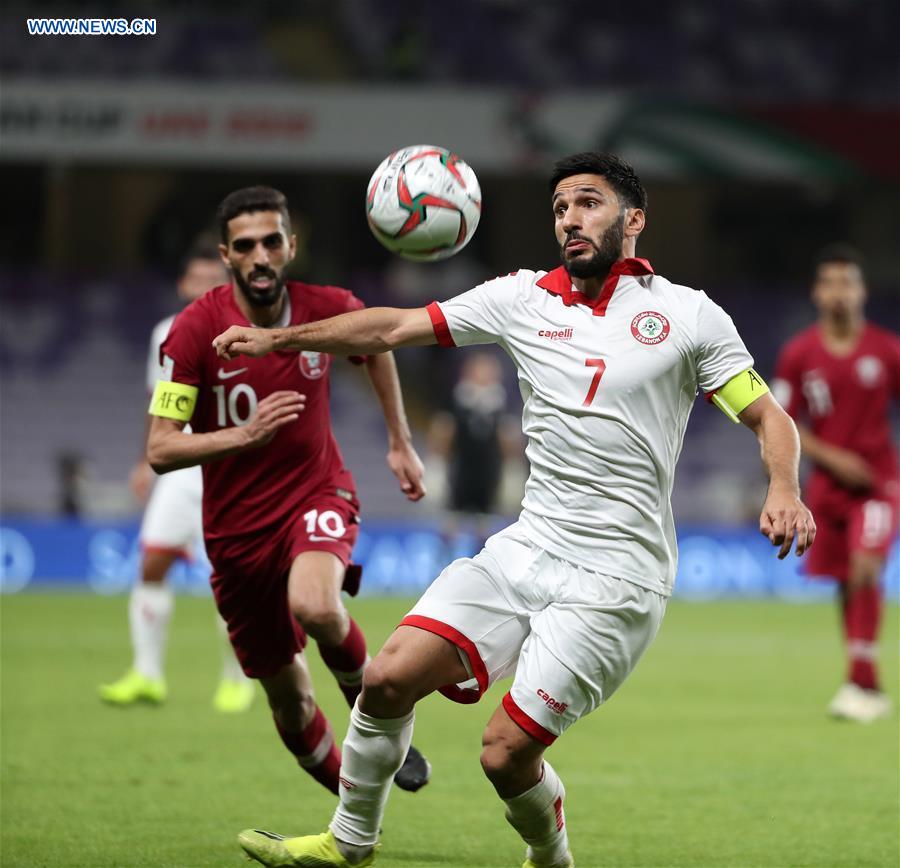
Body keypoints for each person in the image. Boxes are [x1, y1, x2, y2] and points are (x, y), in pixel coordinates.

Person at [215, 153, 816, 868]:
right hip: (527, 548)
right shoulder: (521, 298)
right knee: (385, 679)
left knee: (503, 754)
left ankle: (551, 857)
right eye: (560, 208)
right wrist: (280, 338)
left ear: (633, 219)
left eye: (588, 203)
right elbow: (391, 329)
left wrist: (784, 488)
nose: (570, 220)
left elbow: (769, 416)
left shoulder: (688, 316)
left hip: (618, 579)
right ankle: (348, 843)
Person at [145, 186, 431, 795]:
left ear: (291, 246)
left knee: (318, 606)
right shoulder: (193, 332)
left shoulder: (325, 308)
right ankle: (356, 800)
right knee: (292, 701)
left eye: (271, 241)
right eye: (246, 245)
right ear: (226, 255)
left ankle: (378, 717)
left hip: (315, 494)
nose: (260, 256)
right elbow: (161, 448)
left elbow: (378, 344)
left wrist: (399, 440)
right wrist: (244, 435)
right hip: (236, 534)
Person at [99, 242, 256, 713]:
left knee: (229, 579)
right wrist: (144, 460)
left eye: (214, 280)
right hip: (181, 467)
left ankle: (237, 680)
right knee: (152, 564)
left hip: (229, 469)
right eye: (198, 279)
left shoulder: (247, 332)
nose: (205, 287)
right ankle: (147, 674)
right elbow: (160, 400)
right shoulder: (165, 333)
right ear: (184, 284)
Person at [772, 245, 898, 724]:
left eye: (848, 282)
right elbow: (782, 420)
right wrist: (832, 457)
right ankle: (869, 685)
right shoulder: (799, 353)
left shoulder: (887, 350)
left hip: (878, 483)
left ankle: (858, 682)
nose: (839, 292)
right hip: (829, 487)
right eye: (830, 283)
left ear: (862, 292)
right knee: (847, 580)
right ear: (816, 293)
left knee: (866, 567)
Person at [427, 350, 521, 551]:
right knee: (450, 526)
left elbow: (508, 437)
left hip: (489, 475)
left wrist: (511, 469)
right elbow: (443, 432)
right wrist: (436, 465)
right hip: (459, 472)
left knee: (485, 529)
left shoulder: (502, 403)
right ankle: (445, 562)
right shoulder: (455, 399)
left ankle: (481, 560)